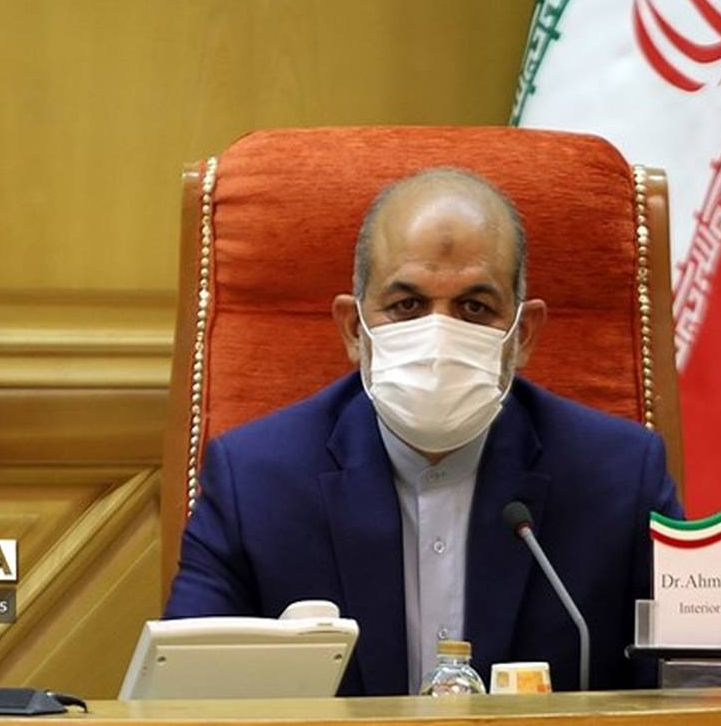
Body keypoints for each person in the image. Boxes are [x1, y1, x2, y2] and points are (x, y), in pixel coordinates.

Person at [164, 167, 682, 695]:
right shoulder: (254, 483)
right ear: (354, 329)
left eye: (474, 308)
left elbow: (692, 691)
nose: (439, 334)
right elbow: (181, 700)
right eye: (407, 306)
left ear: (522, 335)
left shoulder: (621, 479)